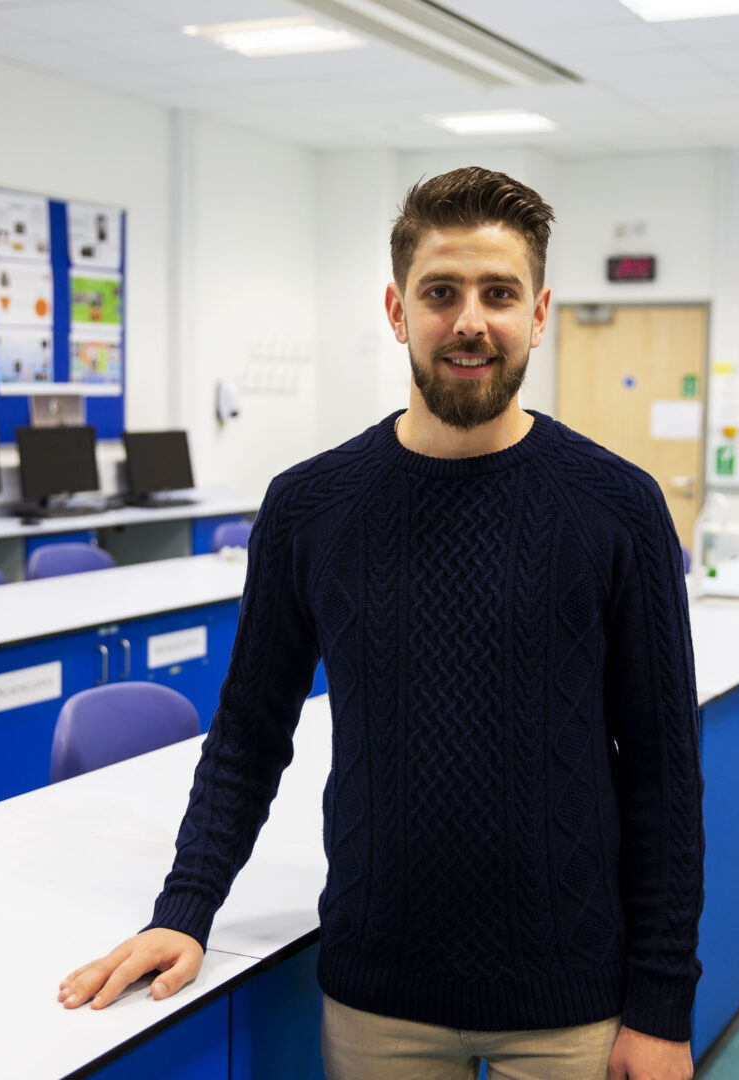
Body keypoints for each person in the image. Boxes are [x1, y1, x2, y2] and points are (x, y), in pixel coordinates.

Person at [59, 167, 703, 1080]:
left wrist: (662, 1005)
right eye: (442, 292)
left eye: (499, 293)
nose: (470, 320)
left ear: (540, 312)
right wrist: (184, 908)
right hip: (378, 992)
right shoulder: (310, 507)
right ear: (398, 311)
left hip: (572, 1000)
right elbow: (247, 735)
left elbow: (664, 779)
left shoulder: (619, 508)